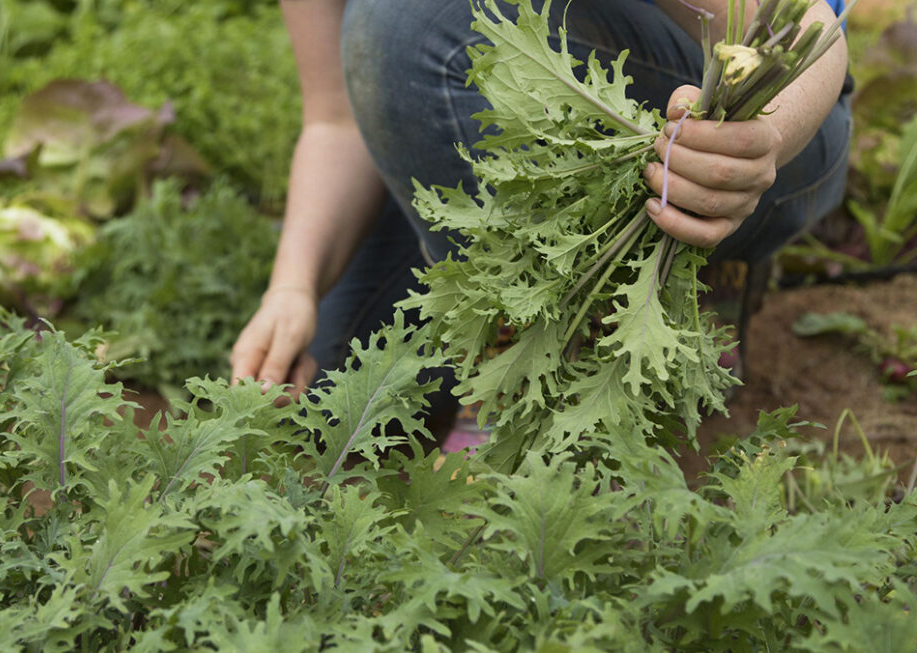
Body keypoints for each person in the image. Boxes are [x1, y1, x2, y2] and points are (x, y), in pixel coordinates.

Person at [230, 0, 851, 428]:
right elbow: (335, 119)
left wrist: (760, 142)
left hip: (768, 125)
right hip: (501, 112)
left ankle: (659, 295)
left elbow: (801, 29)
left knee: (409, 22)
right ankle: (521, 335)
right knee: (331, 390)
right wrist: (292, 287)